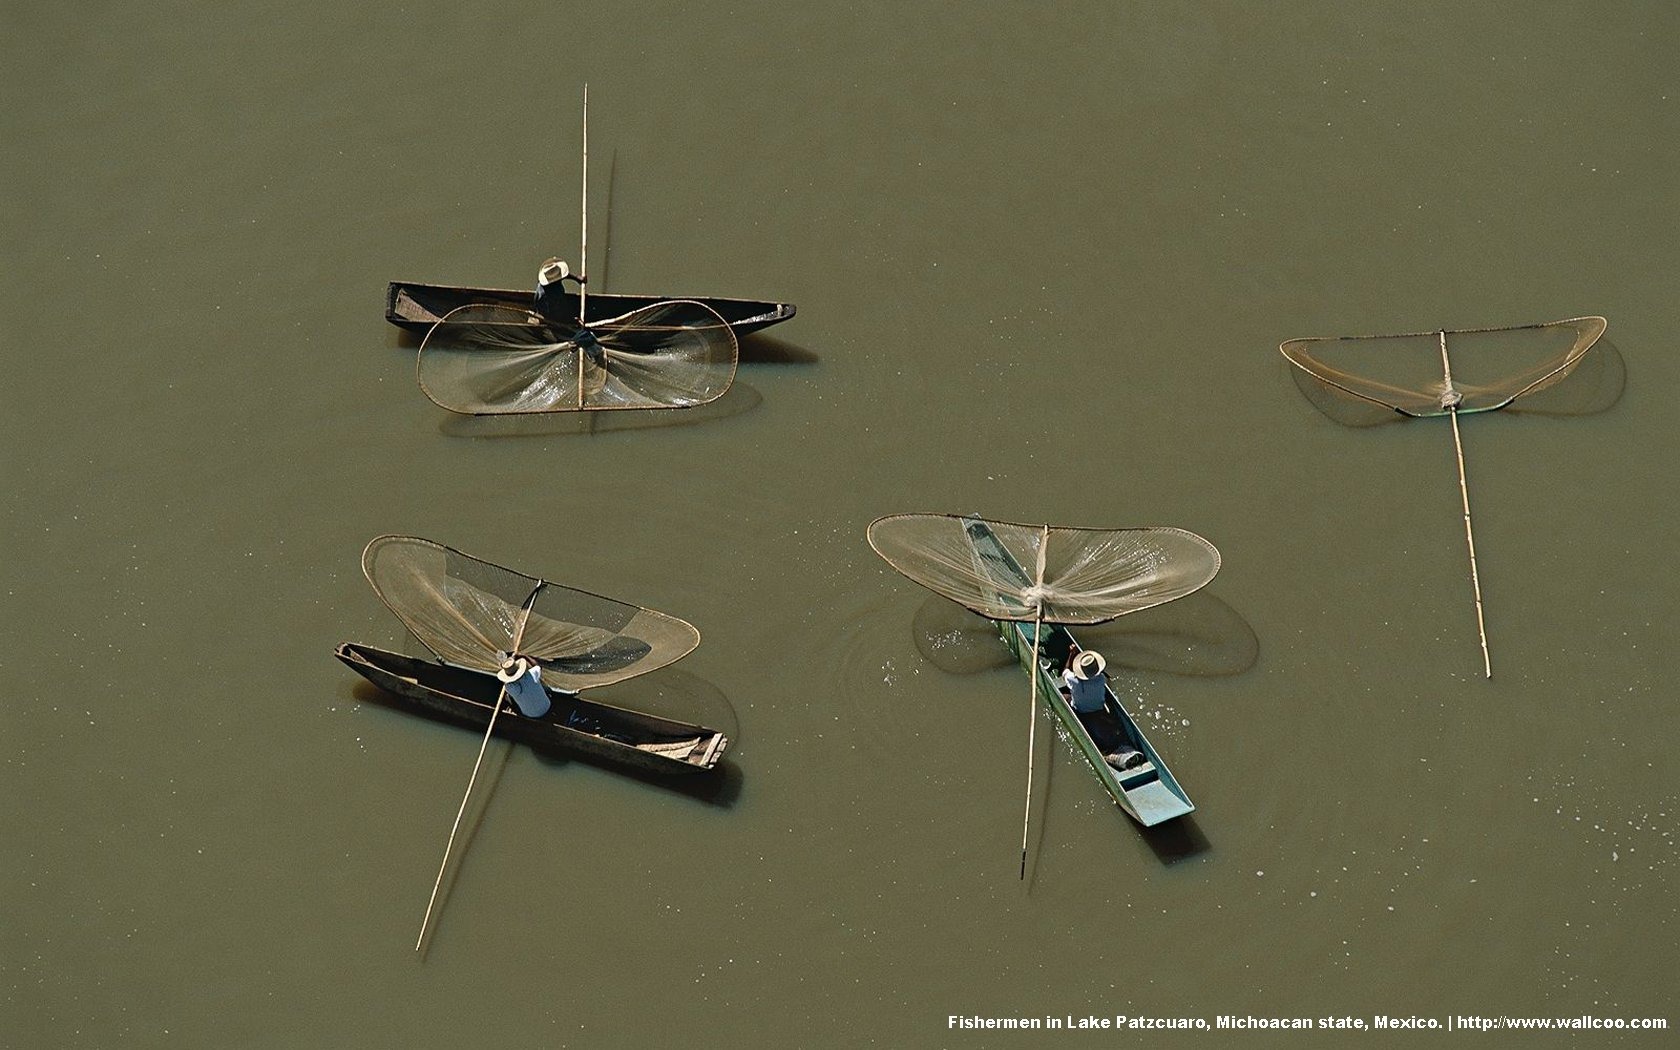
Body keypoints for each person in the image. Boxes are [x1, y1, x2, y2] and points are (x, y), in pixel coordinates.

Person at [1060, 649, 1146, 772]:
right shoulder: (1100, 679)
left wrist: (1071, 654)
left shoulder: (1073, 680)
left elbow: (1064, 671)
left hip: (1081, 711)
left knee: (1064, 696)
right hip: (1099, 711)